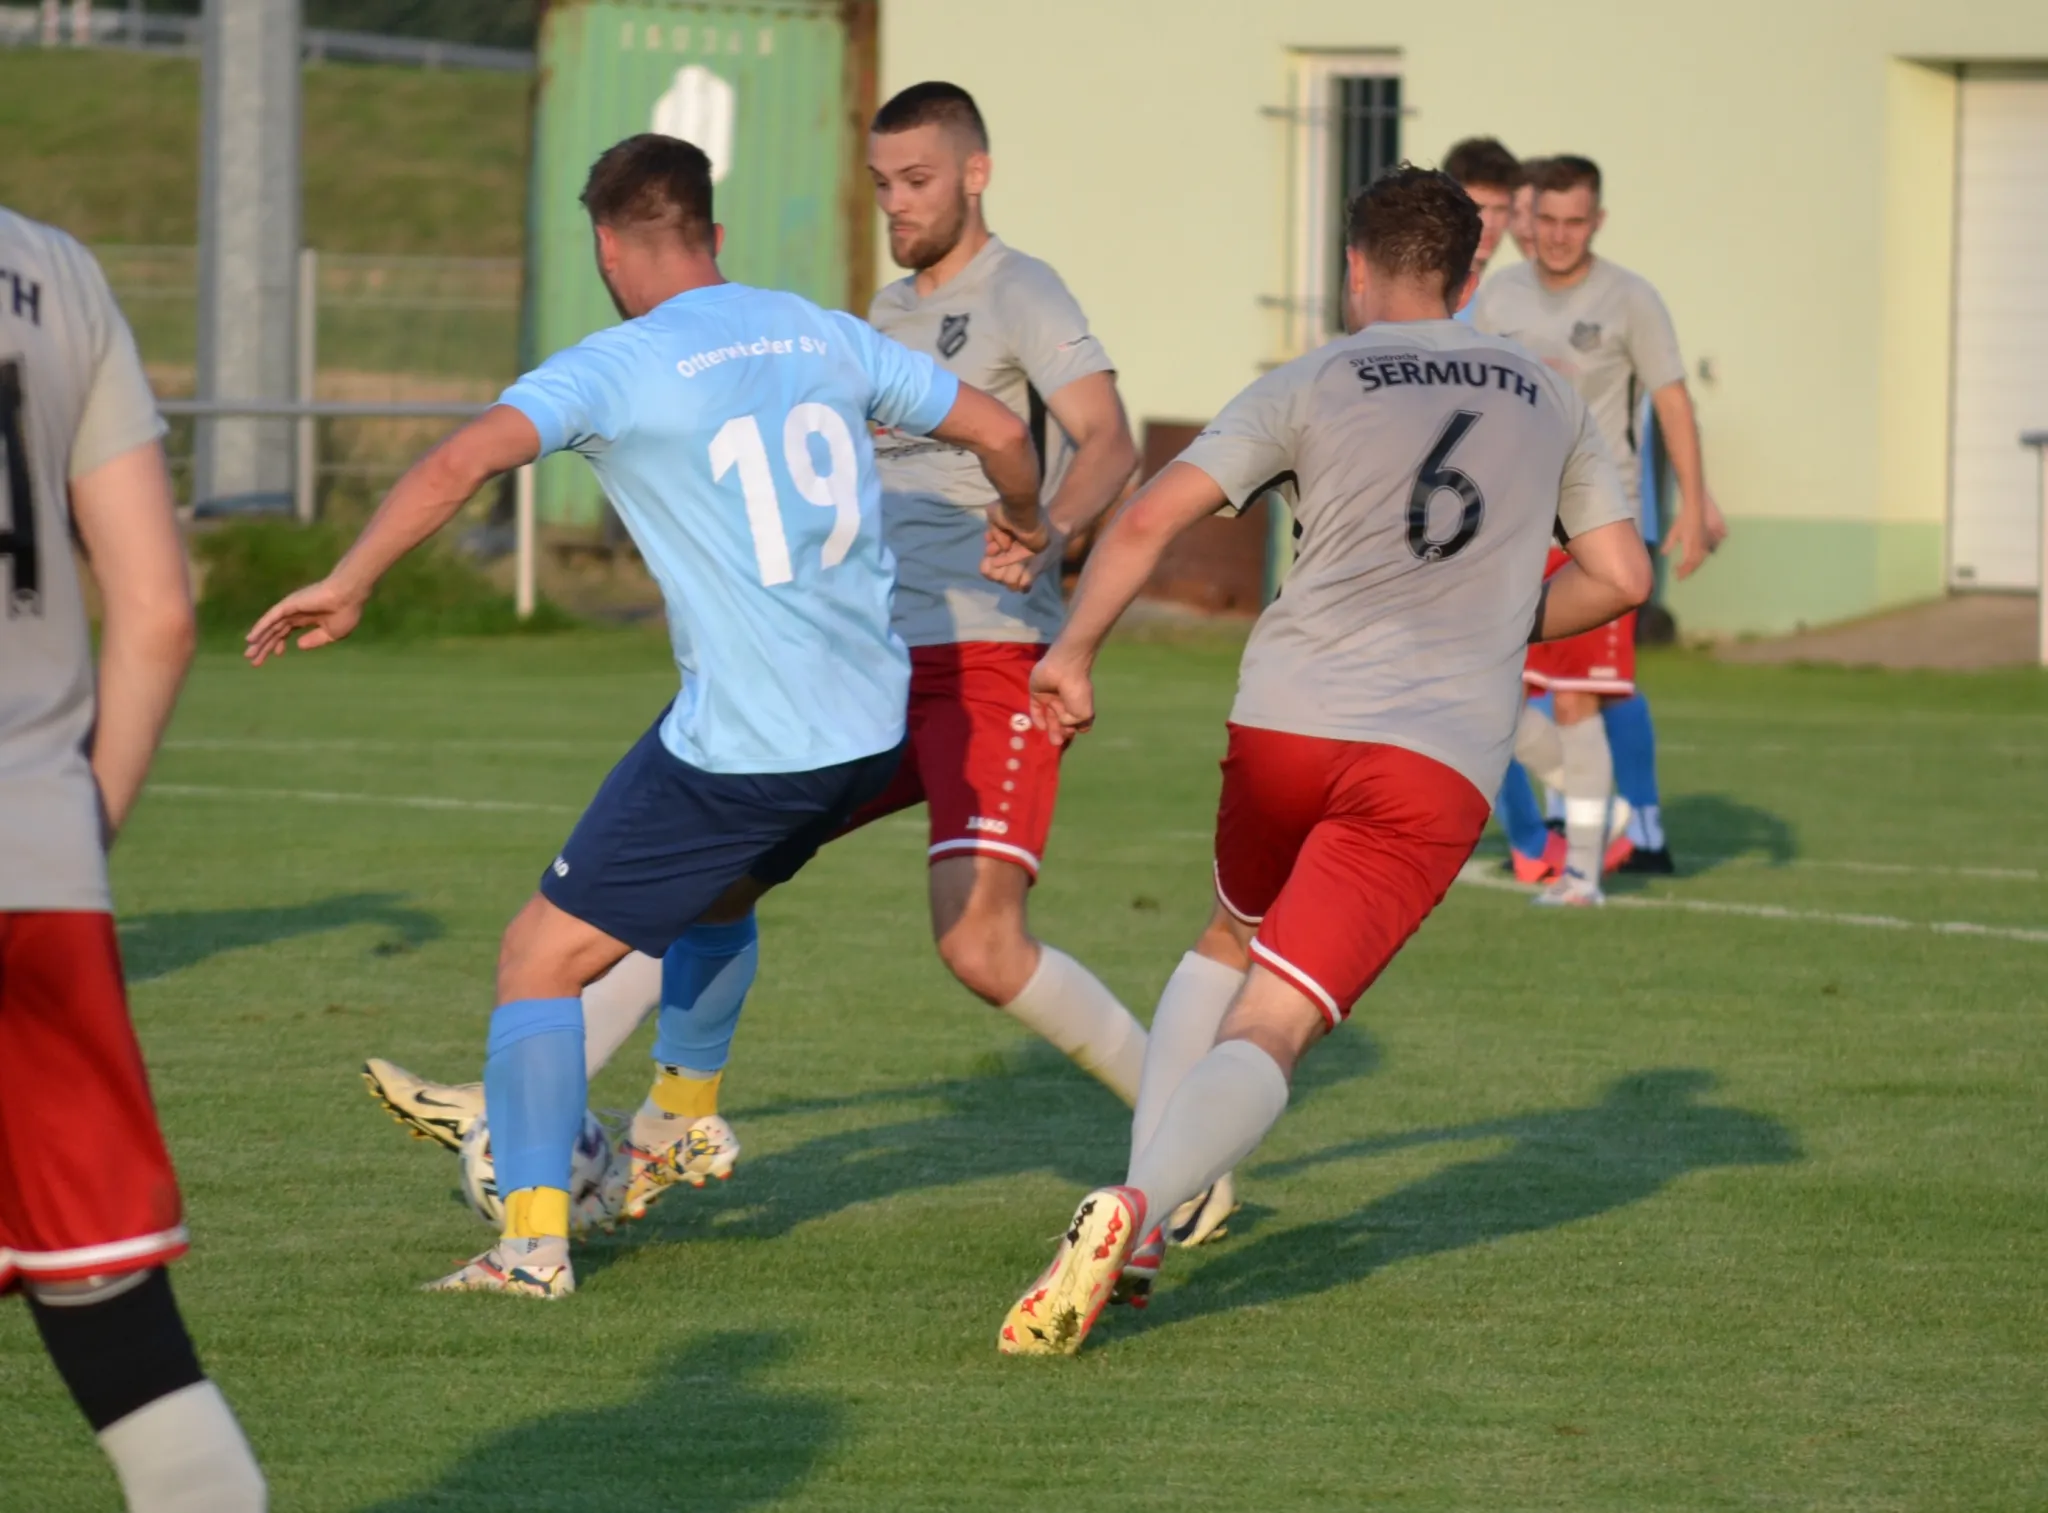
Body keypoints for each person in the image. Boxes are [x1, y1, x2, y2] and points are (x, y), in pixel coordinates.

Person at [360, 84, 1240, 1248]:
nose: (894, 204)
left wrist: (1046, 536)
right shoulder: (864, 313)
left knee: (978, 944)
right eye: (879, 184)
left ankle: (1184, 1144)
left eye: (916, 181)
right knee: (718, 871)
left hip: (984, 654)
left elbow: (1108, 439)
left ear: (974, 174)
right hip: (871, 665)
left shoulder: (1018, 291)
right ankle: (583, 1102)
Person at [247, 133, 1045, 1299]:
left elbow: (462, 460)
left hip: (749, 744)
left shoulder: (616, 365)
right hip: (866, 728)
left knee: (536, 958)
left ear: (607, 248)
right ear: (711, 235)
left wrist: (351, 579)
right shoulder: (816, 329)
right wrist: (1021, 521)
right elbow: (1003, 433)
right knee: (719, 891)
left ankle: (529, 1250)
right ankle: (681, 1116)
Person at [993, 165, 1652, 1356]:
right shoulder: (1549, 393)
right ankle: (1137, 1207)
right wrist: (1493, 619)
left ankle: (1139, 1225)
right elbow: (1620, 576)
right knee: (1275, 1024)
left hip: (1287, 722)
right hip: (1433, 758)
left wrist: (1071, 654)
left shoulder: (1310, 377)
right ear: (1467, 275)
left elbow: (1145, 518)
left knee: (1225, 936)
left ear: (1355, 269)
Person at [0, 207, 267, 1508]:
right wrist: (69, 828)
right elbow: (157, 611)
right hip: (37, 868)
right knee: (112, 1316)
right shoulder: (54, 272)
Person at [1468, 155, 1725, 900]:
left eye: (1574, 222)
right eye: (1546, 220)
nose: (1558, 235)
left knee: (1576, 697)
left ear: (1598, 222)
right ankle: (1602, 813)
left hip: (1595, 526)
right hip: (1514, 522)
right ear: (1530, 219)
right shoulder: (1499, 298)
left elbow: (1672, 401)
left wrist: (1695, 504)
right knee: (1486, 690)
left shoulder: (1631, 299)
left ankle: (1581, 873)